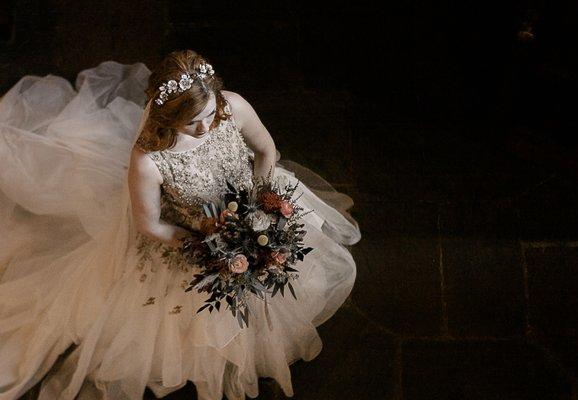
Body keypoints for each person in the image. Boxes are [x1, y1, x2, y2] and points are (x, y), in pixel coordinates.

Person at [0, 49, 361, 400]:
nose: (206, 126)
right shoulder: (148, 159)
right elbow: (149, 225)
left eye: (208, 113)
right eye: (191, 122)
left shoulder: (231, 106)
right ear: (166, 117)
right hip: (192, 235)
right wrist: (205, 242)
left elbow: (266, 151)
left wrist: (260, 206)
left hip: (252, 205)